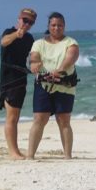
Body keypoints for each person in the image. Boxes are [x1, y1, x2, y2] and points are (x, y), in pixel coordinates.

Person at [27, 12, 80, 159]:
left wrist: (60, 70)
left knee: (64, 120)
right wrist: (35, 64)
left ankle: (68, 156)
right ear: (49, 26)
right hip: (43, 85)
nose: (57, 28)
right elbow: (34, 57)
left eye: (60, 25)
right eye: (54, 25)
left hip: (64, 86)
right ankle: (30, 155)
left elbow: (71, 58)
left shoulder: (71, 42)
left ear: (64, 26)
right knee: (39, 119)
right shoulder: (39, 43)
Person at [0, 7, 37, 159]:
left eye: (30, 23)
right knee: (12, 117)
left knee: (16, 116)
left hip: (21, 78)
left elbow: (33, 55)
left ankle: (15, 151)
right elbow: (4, 42)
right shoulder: (9, 32)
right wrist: (16, 34)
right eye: (25, 20)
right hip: (8, 79)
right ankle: (13, 152)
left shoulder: (29, 38)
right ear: (19, 19)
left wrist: (35, 64)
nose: (27, 24)